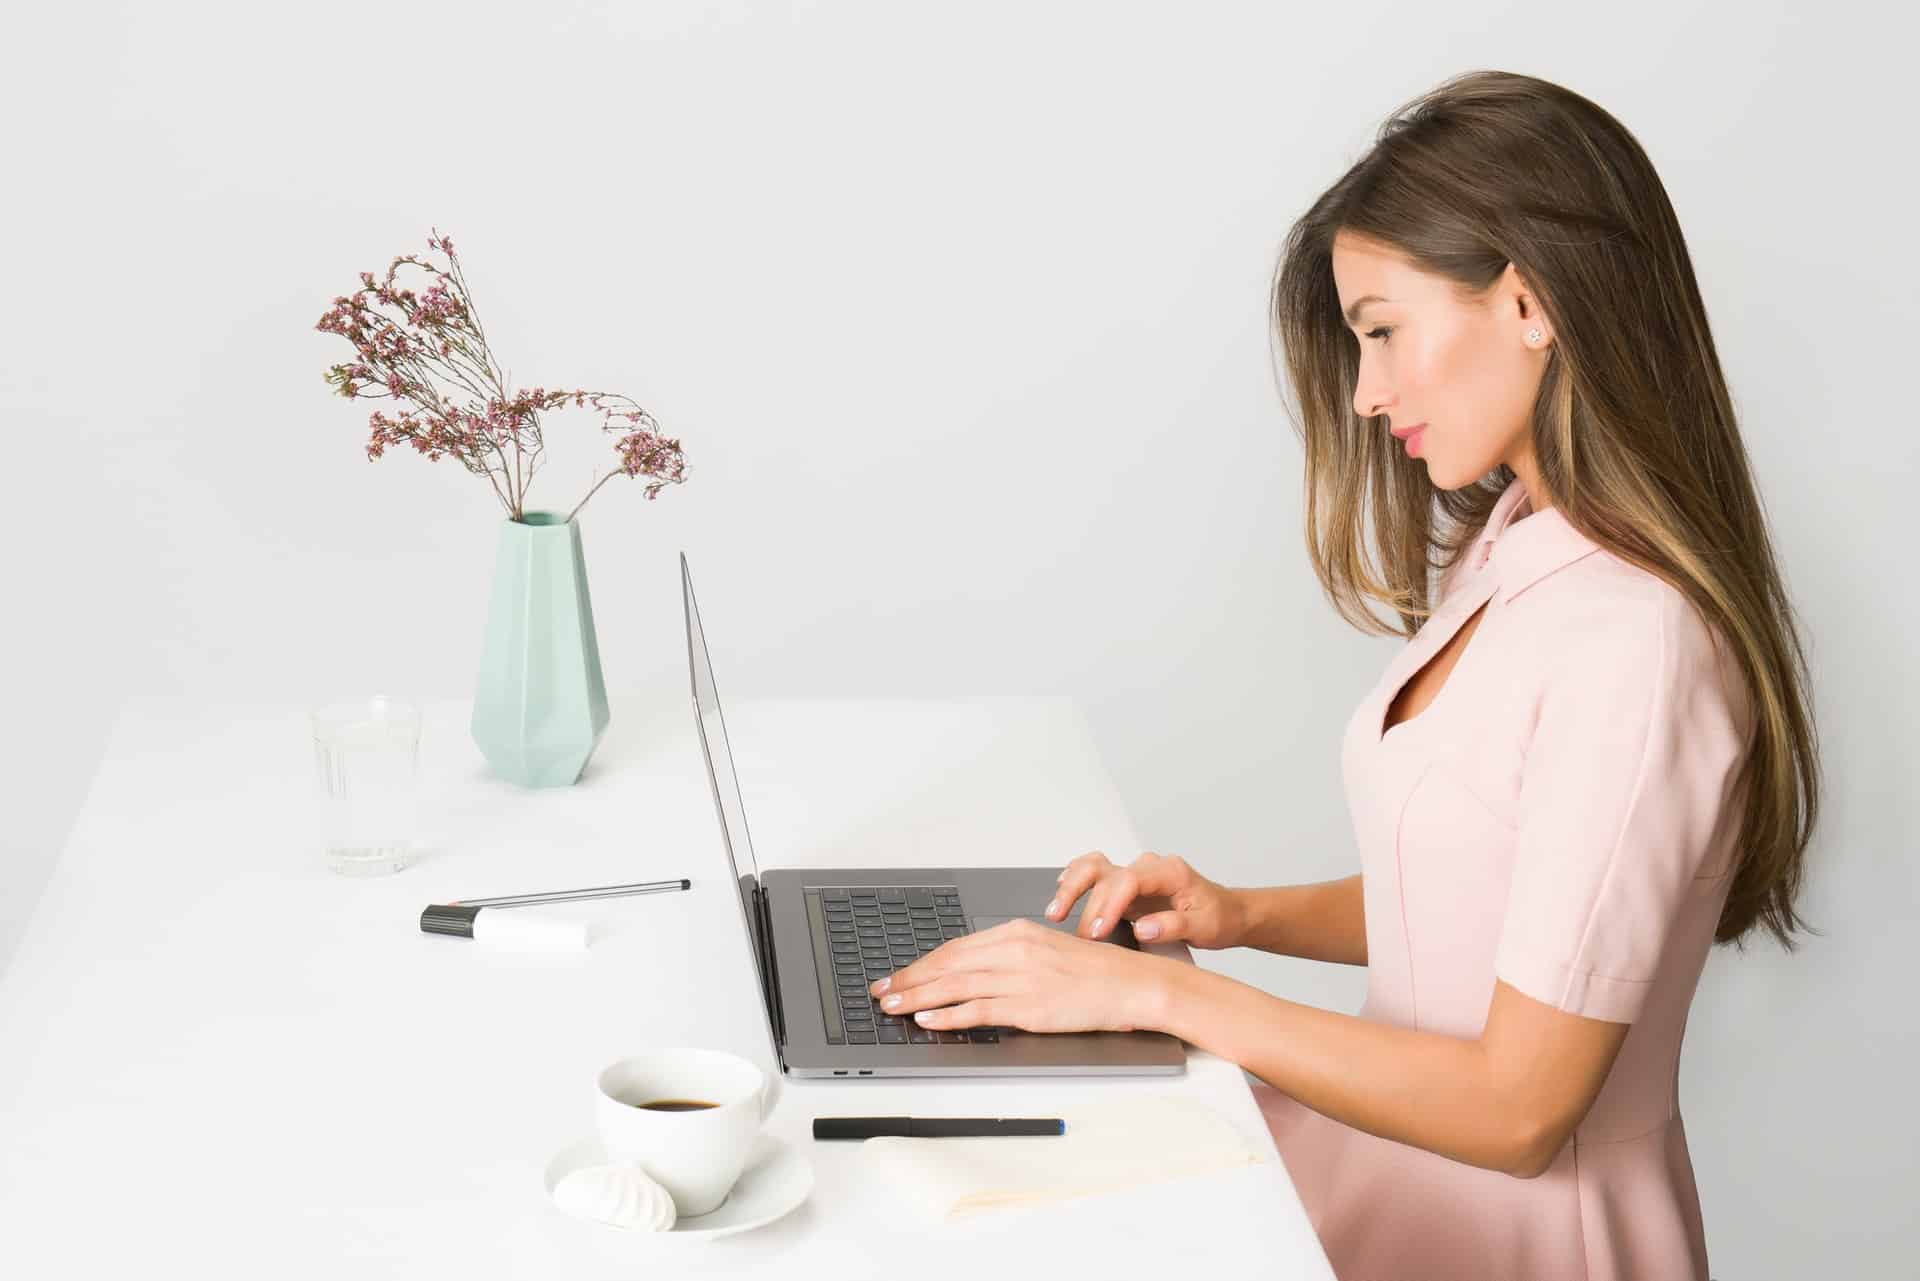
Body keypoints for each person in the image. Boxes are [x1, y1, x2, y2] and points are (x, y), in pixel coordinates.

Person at [866, 69, 1820, 1280]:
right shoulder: (1515, 545)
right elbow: (1490, 898)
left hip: (1526, 1236)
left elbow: (1520, 1112)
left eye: (1381, 330)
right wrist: (1235, 915)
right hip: (1385, 1176)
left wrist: (1170, 1001)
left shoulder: (1637, 643)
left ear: (1528, 302)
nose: (1367, 394)